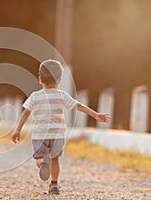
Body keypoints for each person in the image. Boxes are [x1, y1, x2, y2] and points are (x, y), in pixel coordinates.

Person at [11, 59, 110, 195]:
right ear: (59, 80)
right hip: (57, 135)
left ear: (40, 79)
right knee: (55, 159)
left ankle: (42, 162)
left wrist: (17, 130)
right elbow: (78, 106)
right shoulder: (62, 95)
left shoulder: (35, 97)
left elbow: (25, 113)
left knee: (39, 158)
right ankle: (54, 184)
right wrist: (95, 114)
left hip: (40, 135)